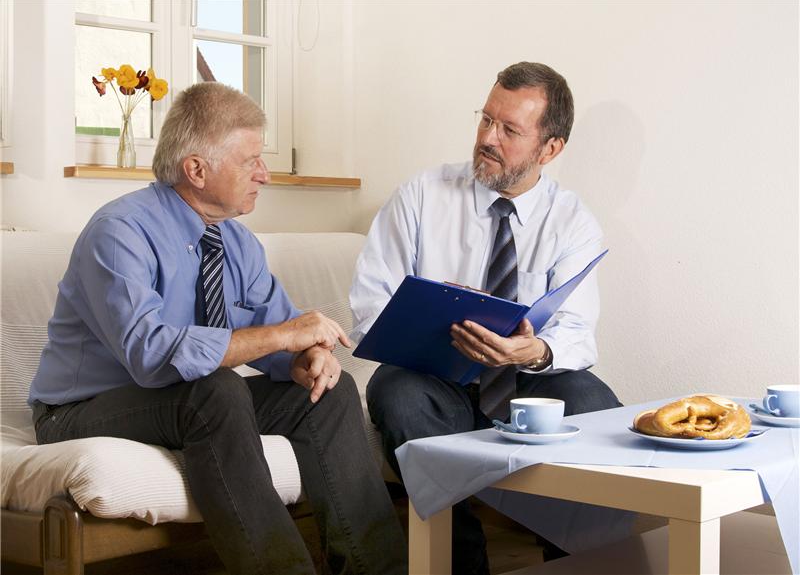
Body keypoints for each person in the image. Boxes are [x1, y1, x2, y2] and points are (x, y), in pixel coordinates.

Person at [29, 82, 407, 575]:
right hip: (80, 410)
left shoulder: (237, 243)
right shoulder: (119, 232)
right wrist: (283, 337)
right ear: (196, 169)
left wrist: (307, 356)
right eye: (251, 161)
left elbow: (277, 330)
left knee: (327, 394)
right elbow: (150, 355)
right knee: (216, 389)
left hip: (183, 403)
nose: (264, 174)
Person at [350, 61, 622, 575]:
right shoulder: (421, 196)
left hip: (526, 383)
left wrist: (534, 350)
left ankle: (577, 563)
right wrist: (430, 325)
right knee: (394, 391)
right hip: (438, 382)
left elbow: (576, 331)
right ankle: (461, 562)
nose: (488, 138)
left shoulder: (572, 221)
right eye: (486, 119)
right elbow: (369, 306)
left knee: (595, 405)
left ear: (550, 149)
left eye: (509, 130)